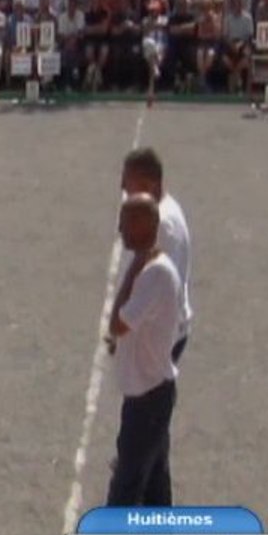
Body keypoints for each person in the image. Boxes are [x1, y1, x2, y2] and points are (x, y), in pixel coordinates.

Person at [106, 193, 182, 508]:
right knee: (155, 486)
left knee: (126, 487)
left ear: (143, 225)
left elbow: (118, 323)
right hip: (151, 394)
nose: (120, 229)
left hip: (147, 400)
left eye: (125, 223)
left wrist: (134, 266)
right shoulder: (154, 269)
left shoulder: (154, 273)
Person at [118, 147, 193, 364]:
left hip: (159, 340)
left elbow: (153, 286)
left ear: (148, 184)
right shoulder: (162, 209)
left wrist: (124, 326)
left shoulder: (159, 225)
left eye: (127, 181)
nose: (122, 186)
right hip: (162, 333)